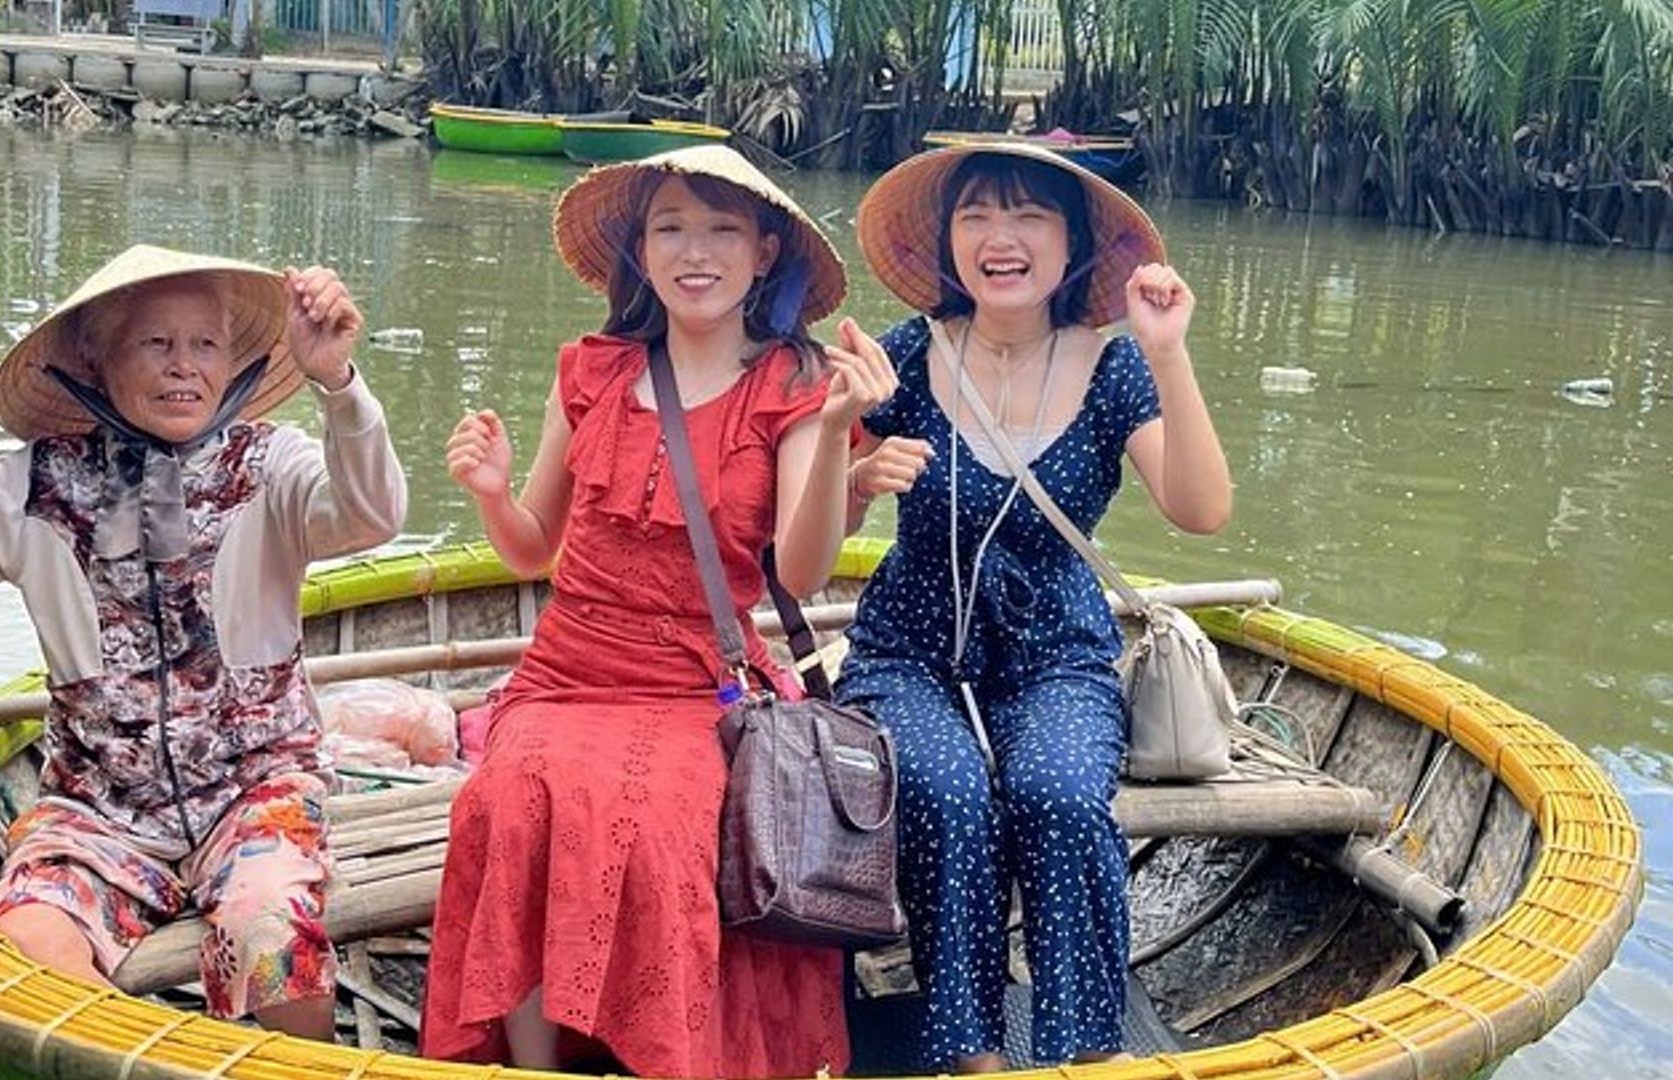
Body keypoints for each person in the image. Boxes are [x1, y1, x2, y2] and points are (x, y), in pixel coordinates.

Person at [0, 246, 407, 1040]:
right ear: (97, 361)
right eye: (155, 344)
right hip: (96, 807)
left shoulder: (270, 466)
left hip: (256, 790)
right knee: (25, 952)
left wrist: (338, 388)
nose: (184, 368)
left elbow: (373, 513)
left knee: (268, 933)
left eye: (204, 344)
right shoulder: (33, 484)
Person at [421, 145, 896, 1077]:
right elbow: (533, 548)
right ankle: (535, 1063)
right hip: (565, 674)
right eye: (670, 227)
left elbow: (798, 572)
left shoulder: (793, 385)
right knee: (504, 799)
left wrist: (839, 431)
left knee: (662, 824)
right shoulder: (590, 371)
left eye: (722, 229)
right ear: (640, 250)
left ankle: (665, 1057)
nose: (696, 251)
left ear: (764, 253)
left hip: (696, 686)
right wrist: (487, 491)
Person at [837, 143, 1232, 1069]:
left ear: (1073, 246)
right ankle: (970, 1054)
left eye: (1027, 216)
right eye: (975, 214)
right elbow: (818, 524)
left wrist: (1171, 356)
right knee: (948, 793)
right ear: (947, 241)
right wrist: (848, 464)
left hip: (1060, 654)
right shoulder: (904, 354)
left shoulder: (1113, 368)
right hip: (910, 652)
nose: (998, 238)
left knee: (1057, 792)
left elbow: (1202, 511)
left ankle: (1082, 1050)